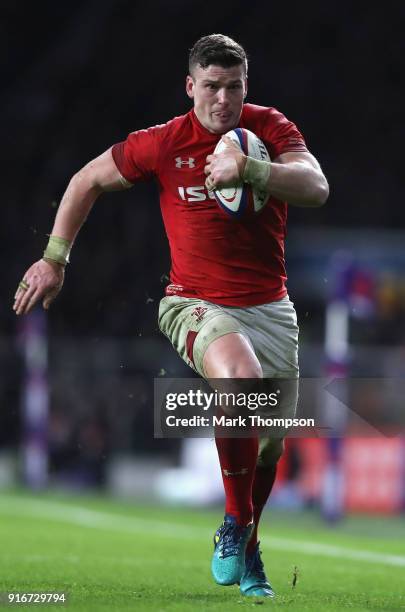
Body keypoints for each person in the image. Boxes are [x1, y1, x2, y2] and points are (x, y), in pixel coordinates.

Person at [14, 34, 329, 598]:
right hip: (194, 302)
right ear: (190, 87)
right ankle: (234, 526)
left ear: (245, 86)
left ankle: (248, 544)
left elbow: (316, 186)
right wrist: (54, 259)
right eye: (211, 87)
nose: (223, 99)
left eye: (233, 87)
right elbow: (85, 181)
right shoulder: (163, 144)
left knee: (270, 446)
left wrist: (251, 171)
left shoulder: (270, 129)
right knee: (239, 380)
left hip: (271, 309)